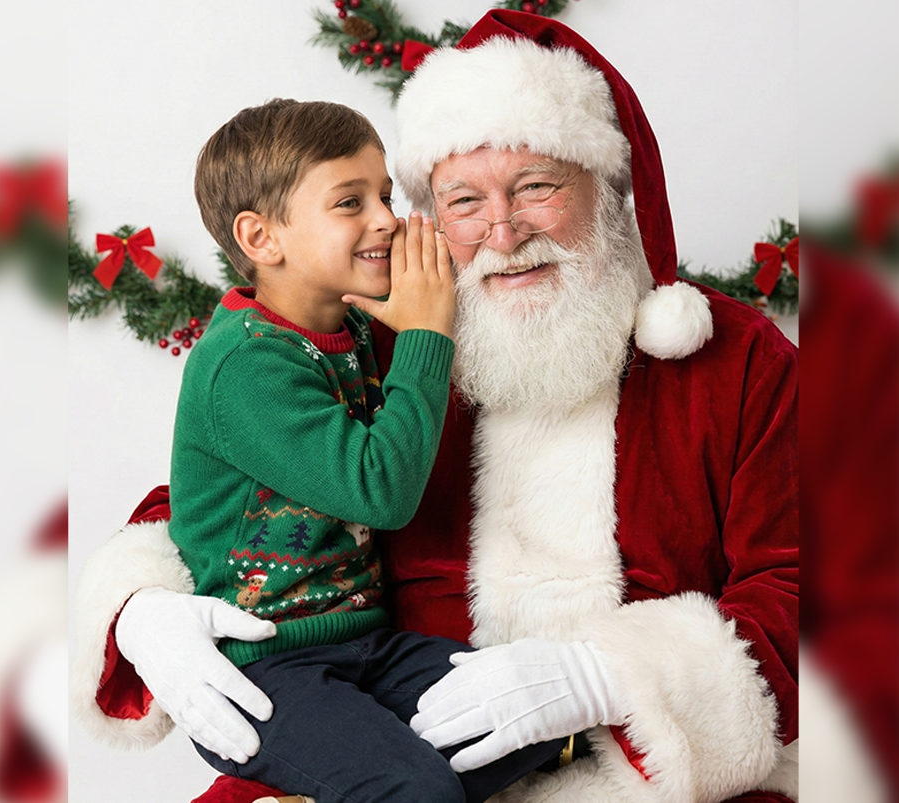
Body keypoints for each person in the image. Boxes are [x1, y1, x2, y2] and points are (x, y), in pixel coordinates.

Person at [72, 11, 798, 803]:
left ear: (611, 190)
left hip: (632, 757)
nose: (502, 231)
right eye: (462, 201)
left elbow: (806, 579)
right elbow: (226, 495)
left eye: (538, 187)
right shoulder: (395, 337)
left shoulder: (735, 359)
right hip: (371, 720)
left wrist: (608, 676)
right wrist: (141, 608)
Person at [88, 97, 567, 803]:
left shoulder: (352, 330)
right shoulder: (243, 364)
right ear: (261, 237)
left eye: (385, 195)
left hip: (366, 646)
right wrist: (428, 335)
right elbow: (380, 490)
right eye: (350, 202)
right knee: (417, 788)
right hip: (265, 665)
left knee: (539, 722)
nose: (387, 220)